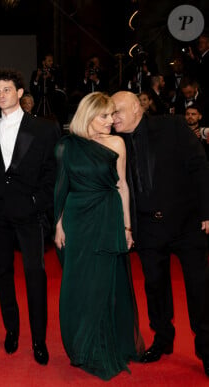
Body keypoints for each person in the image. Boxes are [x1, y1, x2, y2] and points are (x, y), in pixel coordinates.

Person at [111, 90, 209, 378]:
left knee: (199, 290)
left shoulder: (172, 126)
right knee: (155, 288)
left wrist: (207, 211)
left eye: (117, 111)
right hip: (147, 229)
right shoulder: (116, 142)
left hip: (186, 224)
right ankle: (163, 339)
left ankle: (206, 349)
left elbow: (200, 166)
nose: (112, 117)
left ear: (135, 109)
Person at [54, 92, 144, 380]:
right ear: (88, 115)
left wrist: (127, 228)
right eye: (104, 115)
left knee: (103, 283)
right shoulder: (67, 146)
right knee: (78, 284)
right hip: (77, 220)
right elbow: (60, 188)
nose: (111, 120)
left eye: (113, 115)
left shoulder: (117, 143)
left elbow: (123, 187)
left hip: (107, 217)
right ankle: (79, 342)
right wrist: (58, 224)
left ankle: (103, 344)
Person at [0, 69, 60, 364]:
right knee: (2, 274)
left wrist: (35, 202)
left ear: (20, 93)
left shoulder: (43, 128)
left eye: (7, 89)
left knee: (35, 275)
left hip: (29, 213)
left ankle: (39, 340)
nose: (2, 94)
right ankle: (12, 330)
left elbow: (52, 172)